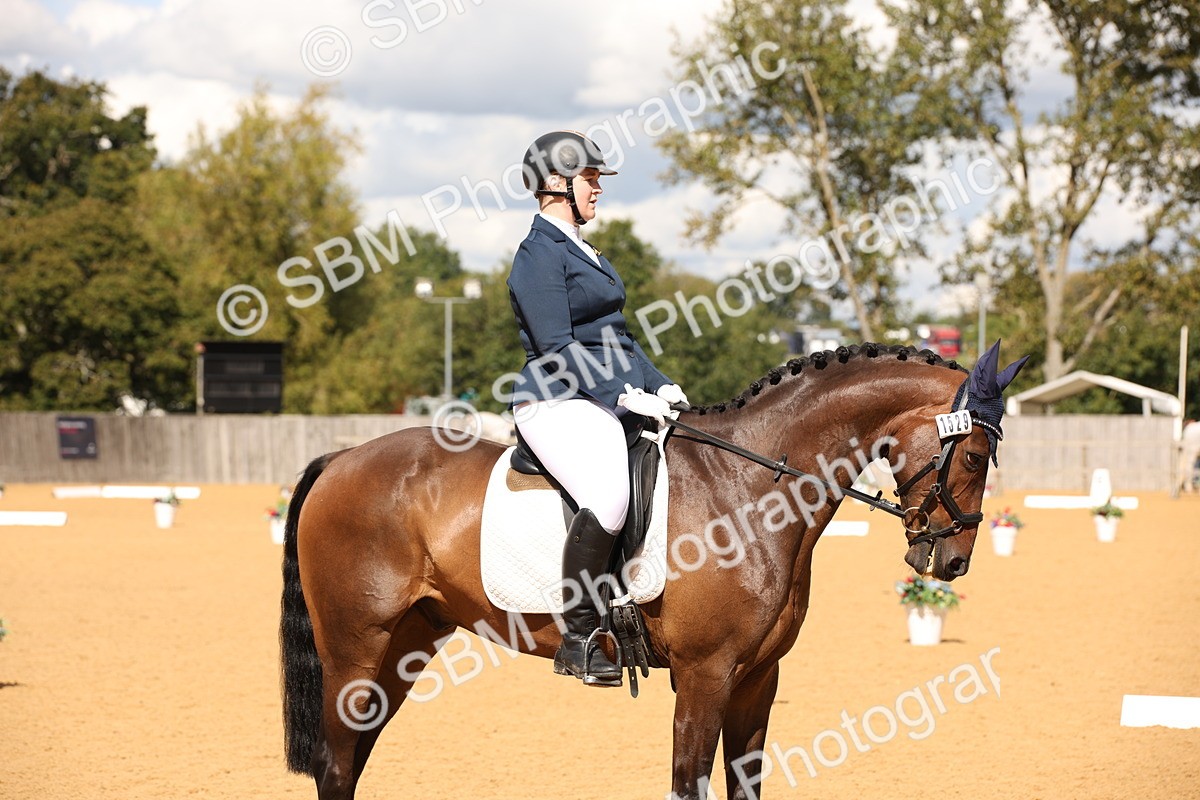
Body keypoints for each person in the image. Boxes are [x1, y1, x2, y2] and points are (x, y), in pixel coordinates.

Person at [505, 130, 688, 686]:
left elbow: (620, 340)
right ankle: (580, 636)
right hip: (554, 398)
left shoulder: (585, 252)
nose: (597, 190)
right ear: (556, 184)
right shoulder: (537, 255)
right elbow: (559, 349)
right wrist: (619, 397)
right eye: (590, 179)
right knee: (609, 495)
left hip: (598, 394)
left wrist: (661, 386)